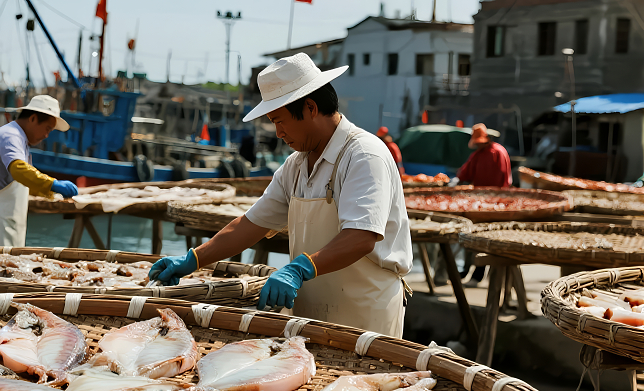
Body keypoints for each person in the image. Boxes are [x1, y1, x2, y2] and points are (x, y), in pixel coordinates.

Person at [150, 53, 412, 337]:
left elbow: (361, 236)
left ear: (310, 107)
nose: (277, 133)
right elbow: (251, 224)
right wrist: (193, 259)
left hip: (363, 317)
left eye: (279, 121)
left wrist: (300, 268)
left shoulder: (363, 155)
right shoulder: (295, 166)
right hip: (309, 314)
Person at [0, 95, 79, 247]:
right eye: (47, 129)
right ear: (33, 118)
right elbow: (19, 170)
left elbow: (21, 183)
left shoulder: (18, 139)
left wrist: (51, 193)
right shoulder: (11, 136)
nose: (46, 135)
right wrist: (53, 184)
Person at [457, 123, 512, 284]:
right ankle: (468, 271)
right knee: (474, 239)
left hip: (493, 205)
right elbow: (465, 173)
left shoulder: (497, 153)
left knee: (485, 239)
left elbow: (502, 181)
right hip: (481, 204)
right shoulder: (479, 154)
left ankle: (478, 274)